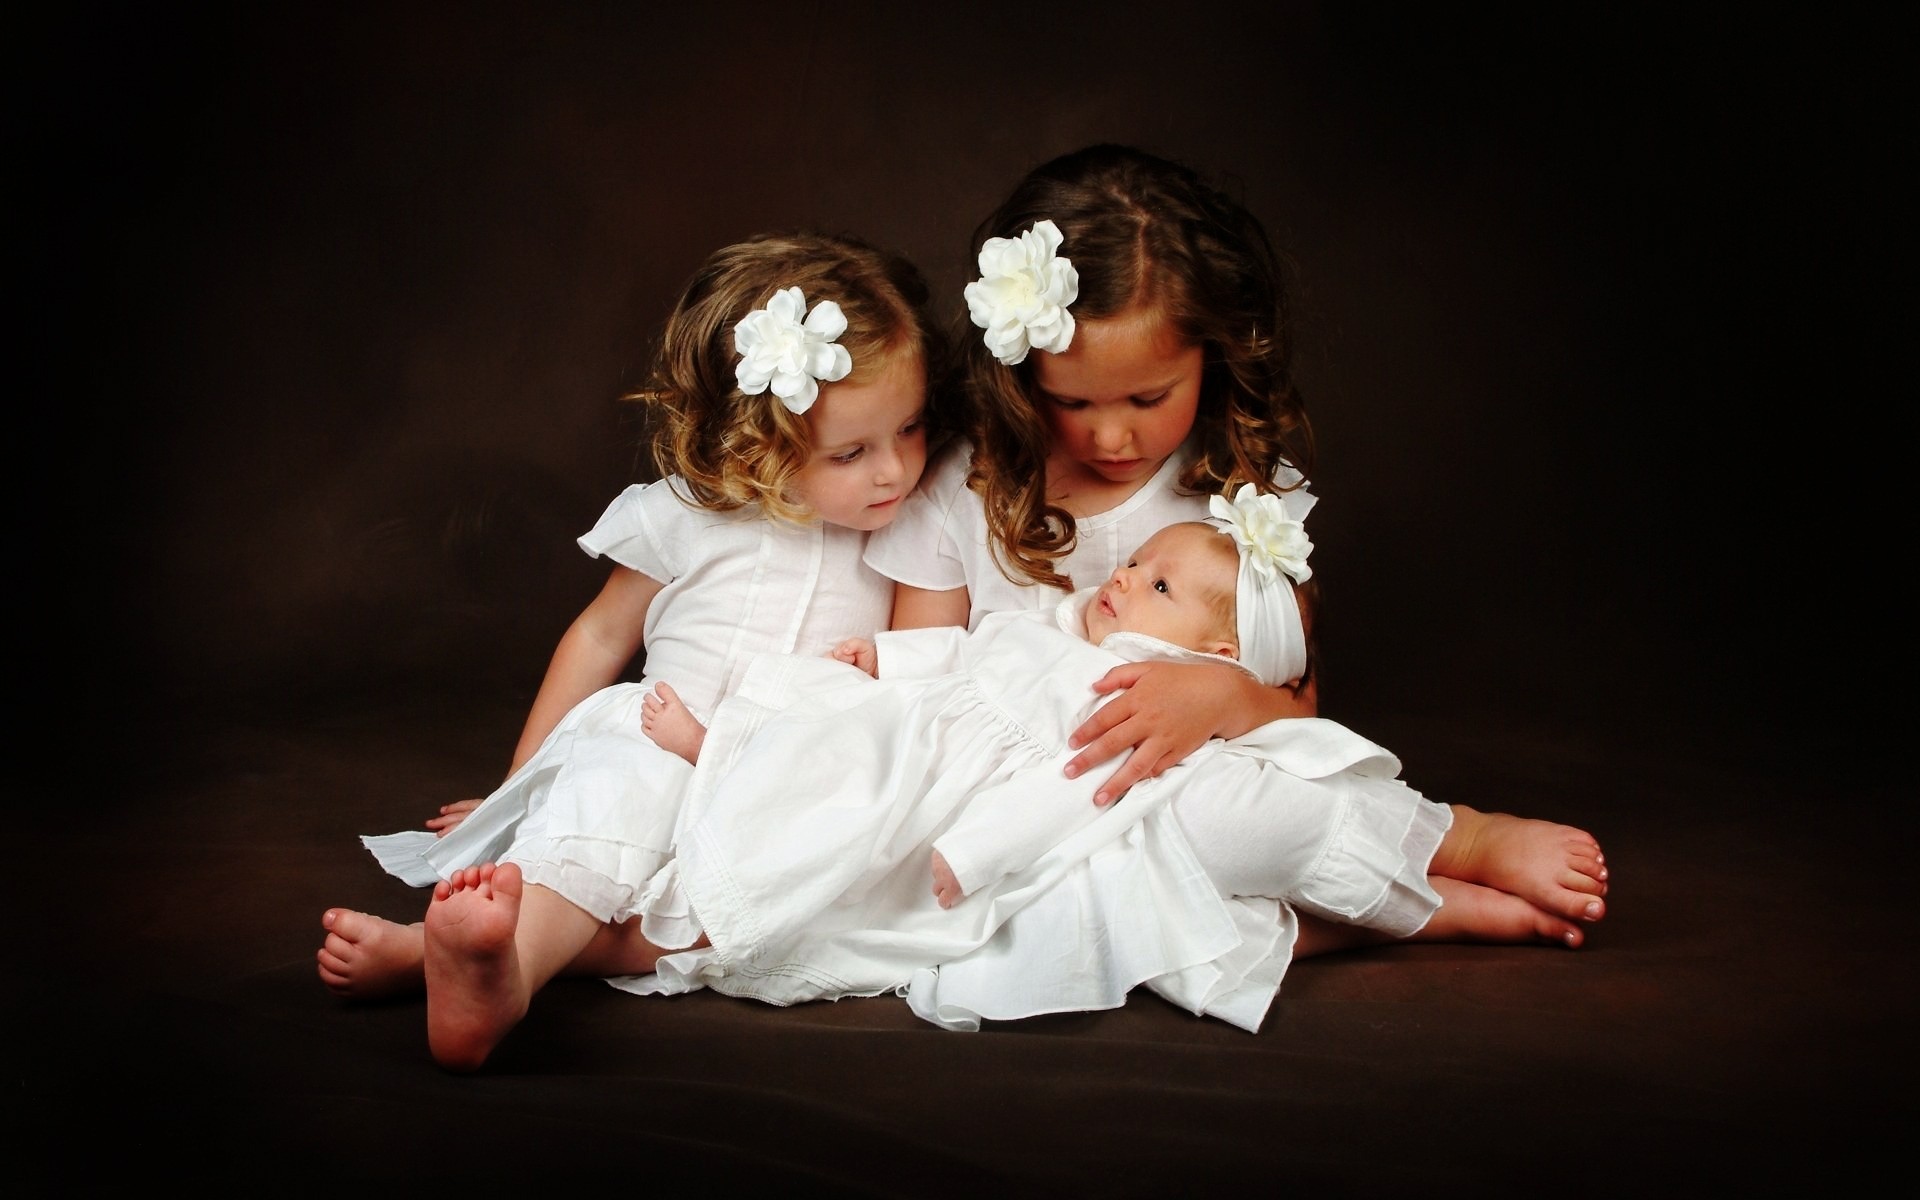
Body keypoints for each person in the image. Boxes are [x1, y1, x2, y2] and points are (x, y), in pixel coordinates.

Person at [863, 142, 1608, 929]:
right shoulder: (964, 487)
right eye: (1072, 403)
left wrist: (1220, 697)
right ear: (1019, 375)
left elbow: (1299, 712)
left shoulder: (1236, 489)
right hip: (1028, 805)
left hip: (1203, 792)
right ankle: (1412, 918)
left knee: (1242, 825)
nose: (1111, 437)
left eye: (1148, 398)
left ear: (1213, 354)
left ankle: (1459, 842)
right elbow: (918, 691)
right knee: (1049, 912)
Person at [315, 229, 949, 1068]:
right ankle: (501, 977)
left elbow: (913, 673)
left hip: (784, 779)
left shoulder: (909, 531)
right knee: (609, 809)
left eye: (911, 428)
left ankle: (439, 956)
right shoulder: (688, 515)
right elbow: (600, 635)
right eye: (852, 453)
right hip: (659, 739)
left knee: (783, 898)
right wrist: (519, 788)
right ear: (755, 443)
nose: (895, 471)